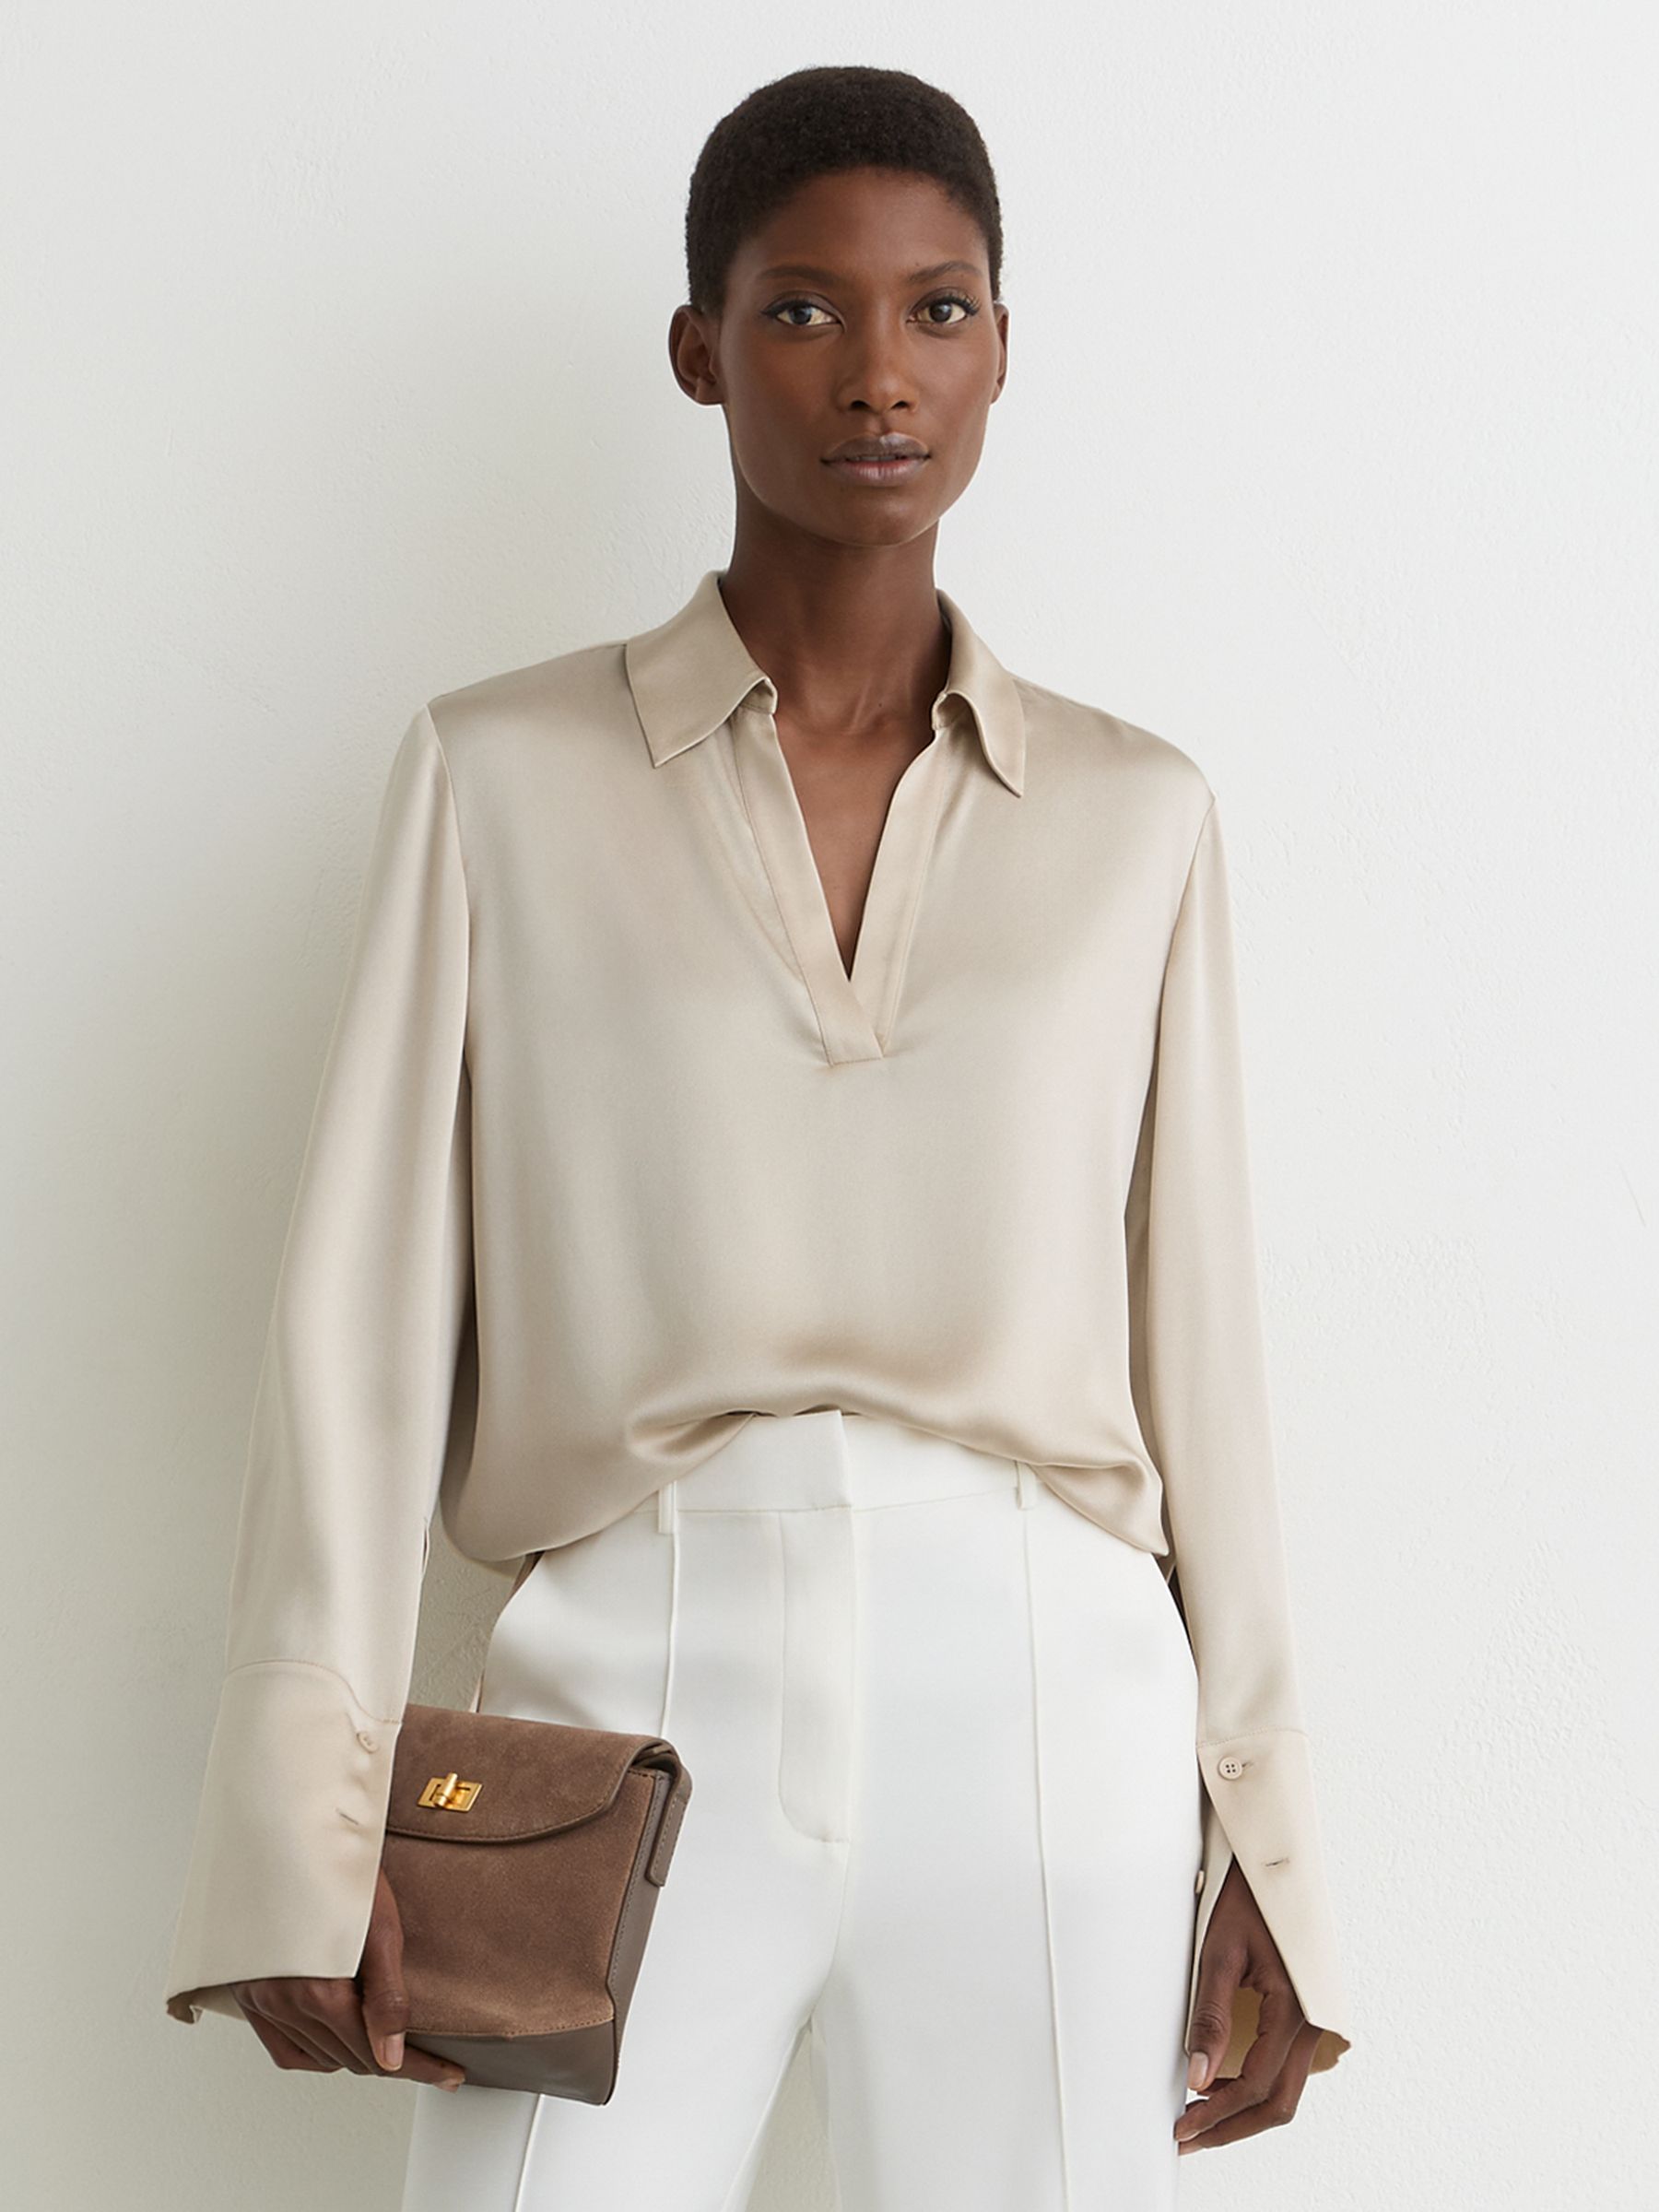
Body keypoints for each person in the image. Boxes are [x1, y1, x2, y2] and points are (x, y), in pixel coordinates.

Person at [162, 63, 1352, 2210]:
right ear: (700, 350)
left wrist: (1268, 1832)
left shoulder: (1135, 819)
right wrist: (299, 1815)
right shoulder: (500, 777)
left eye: (938, 310)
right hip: (629, 1680)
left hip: (1051, 1695)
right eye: (803, 310)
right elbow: (357, 1337)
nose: (879, 374)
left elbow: (1207, 1356)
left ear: (1001, 349)